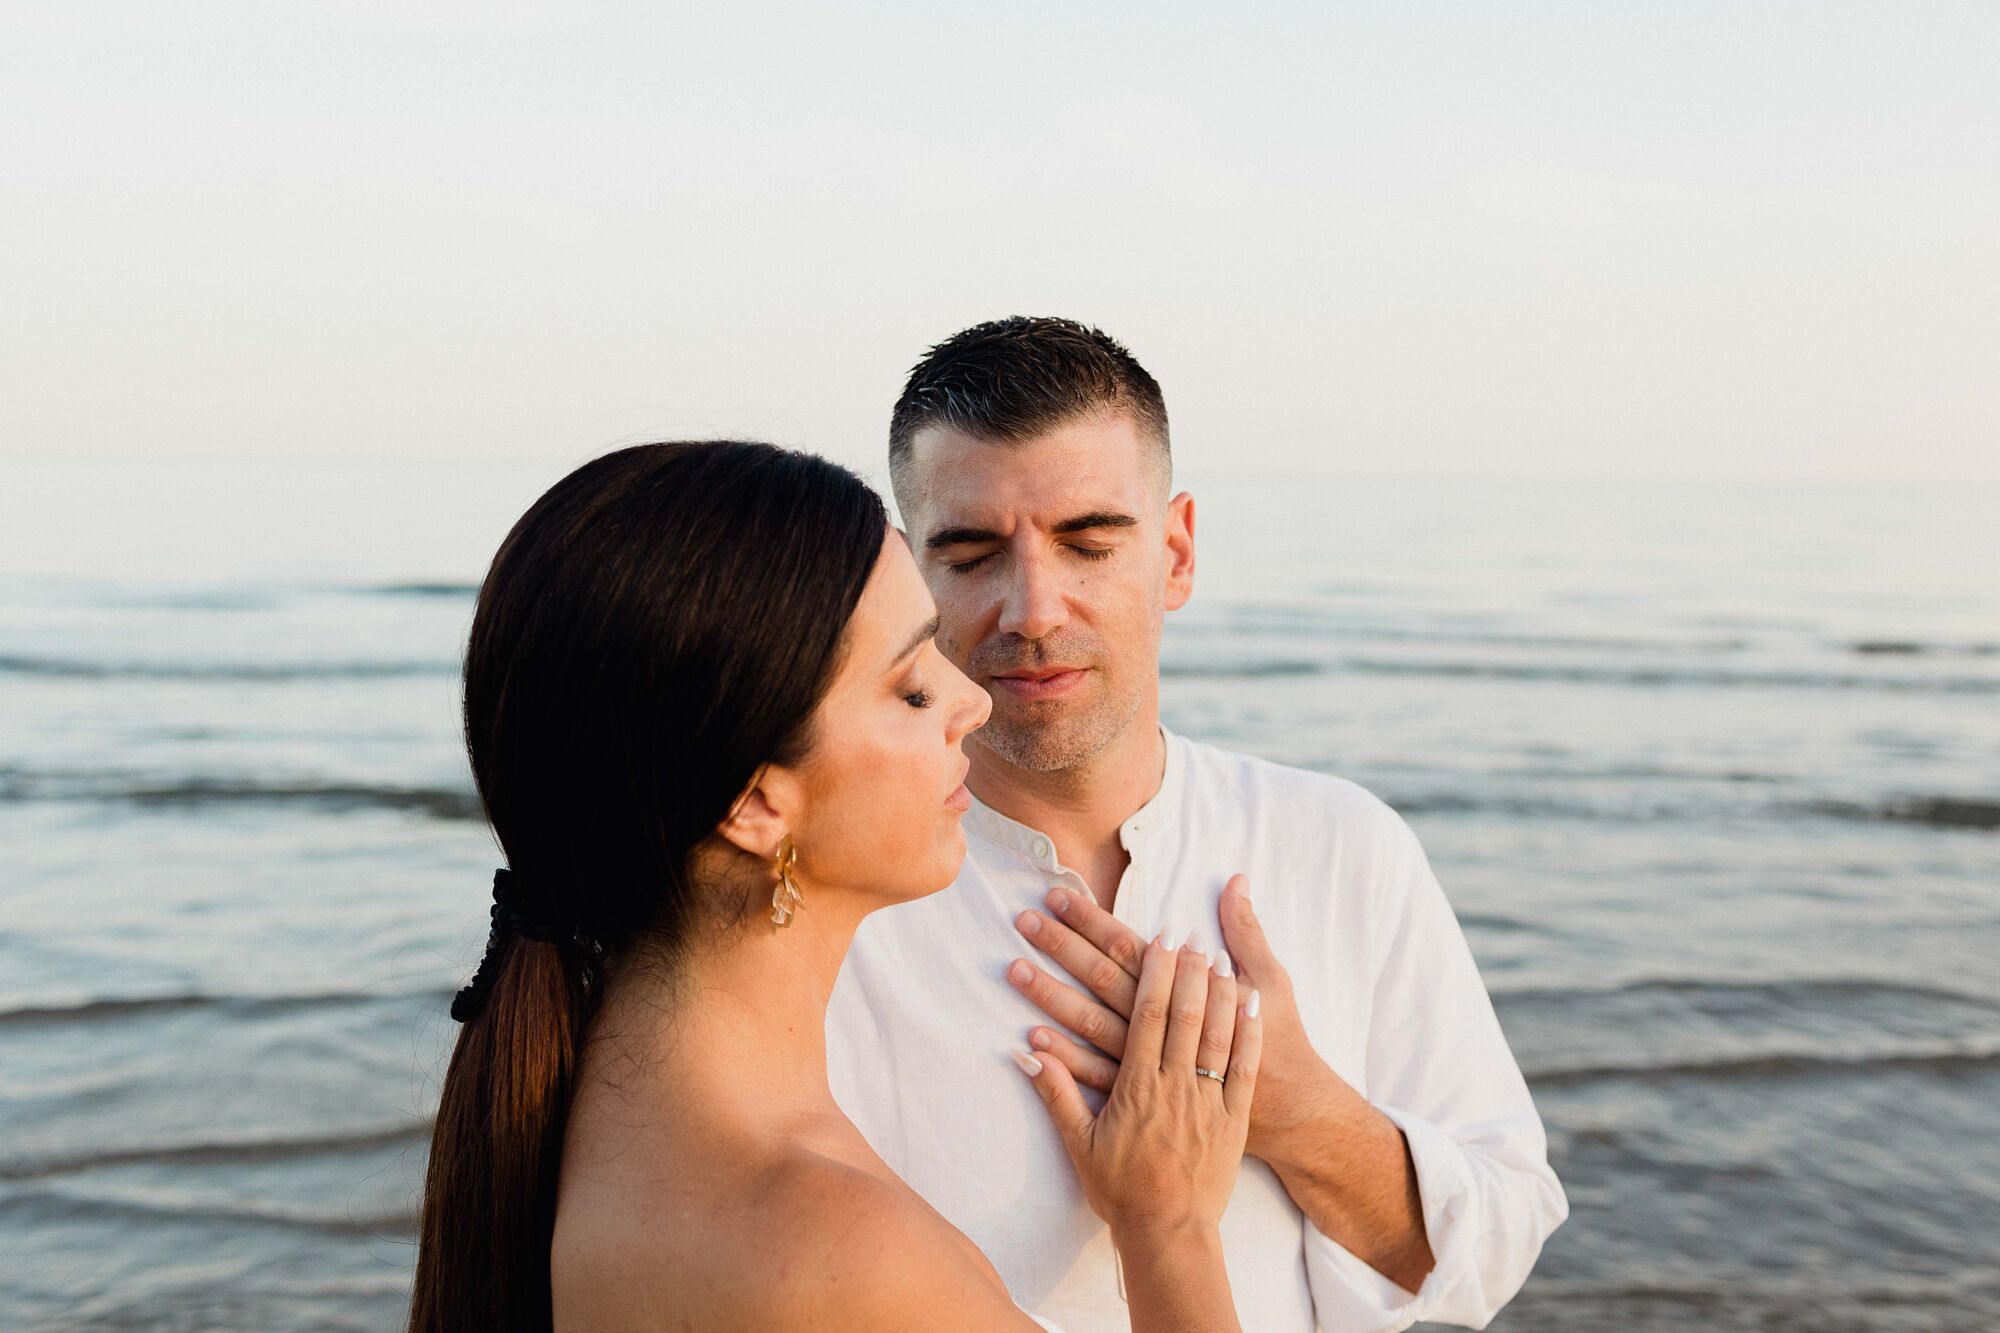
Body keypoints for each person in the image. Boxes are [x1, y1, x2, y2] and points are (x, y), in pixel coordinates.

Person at [408, 440, 1267, 1332]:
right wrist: (1168, 1220)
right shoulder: (838, 1251)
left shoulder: (597, 1110)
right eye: (909, 690)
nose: (969, 700)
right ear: (753, 804)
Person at [826, 317, 1568, 1331]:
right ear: (913, 577)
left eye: (1088, 541)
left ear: (1174, 553)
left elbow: (1489, 1250)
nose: (1033, 609)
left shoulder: (1341, 845)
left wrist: (1304, 1113)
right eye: (970, 553)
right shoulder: (832, 899)